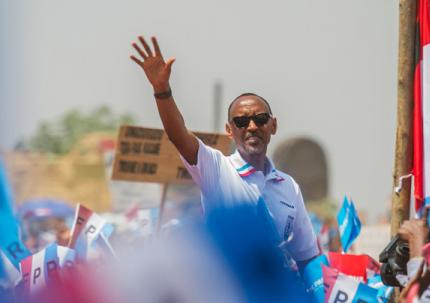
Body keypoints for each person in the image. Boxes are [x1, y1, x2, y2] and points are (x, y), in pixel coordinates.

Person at [130, 36, 319, 269]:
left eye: (260, 119)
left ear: (273, 125)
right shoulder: (217, 169)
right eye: (241, 121)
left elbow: (307, 258)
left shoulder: (289, 187)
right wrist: (162, 90)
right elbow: (178, 136)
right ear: (229, 130)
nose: (251, 127)